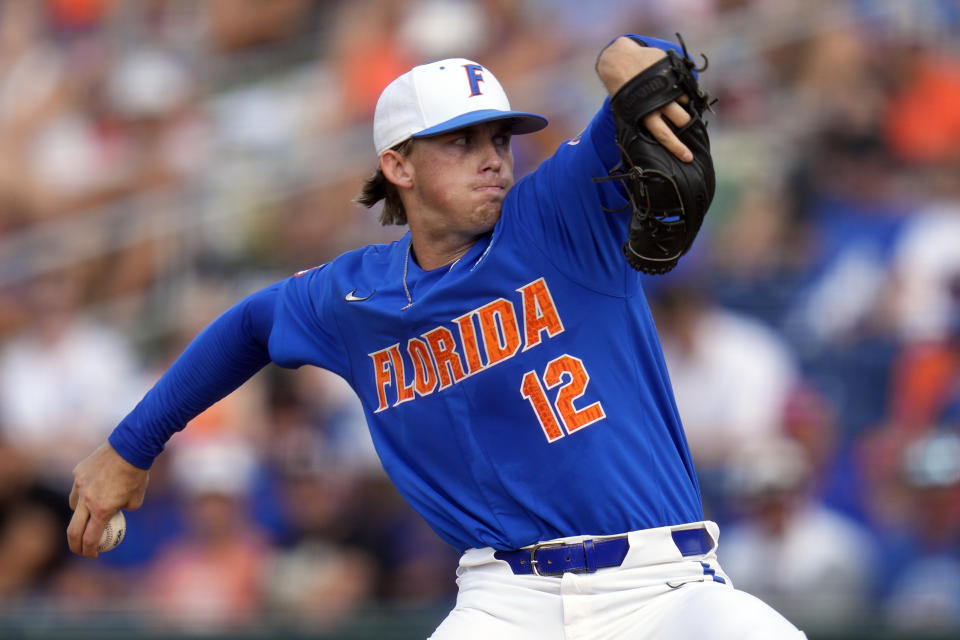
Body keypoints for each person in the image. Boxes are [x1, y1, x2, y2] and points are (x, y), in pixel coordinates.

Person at [68, 34, 807, 638]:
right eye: (460, 141)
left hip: (665, 588)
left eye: (500, 137)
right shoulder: (354, 296)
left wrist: (623, 51)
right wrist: (130, 445)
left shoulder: (556, 216)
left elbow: (649, 76)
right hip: (504, 602)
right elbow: (251, 324)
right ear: (398, 166)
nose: (493, 157)